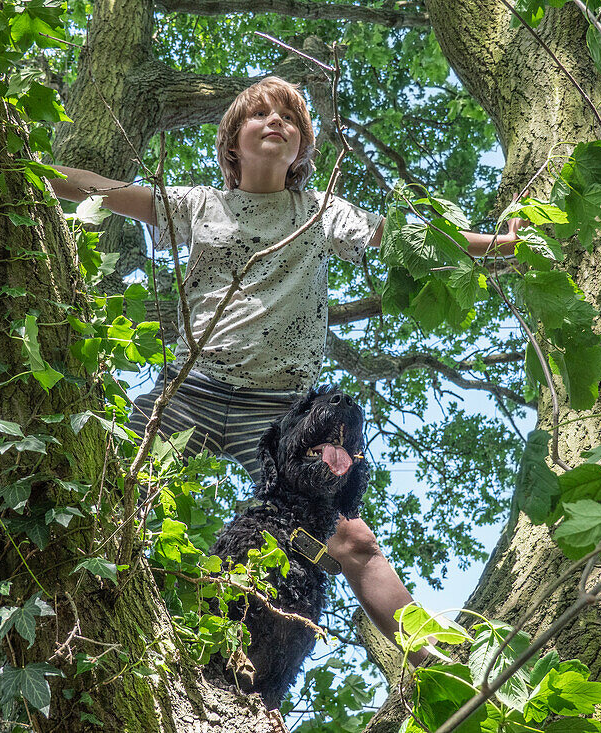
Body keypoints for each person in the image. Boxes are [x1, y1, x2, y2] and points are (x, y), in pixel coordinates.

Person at [48, 76, 520, 664]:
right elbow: (107, 190)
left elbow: (404, 239)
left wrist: (497, 247)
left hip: (277, 411)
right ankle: (100, 624)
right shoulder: (199, 204)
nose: (275, 122)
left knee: (350, 537)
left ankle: (434, 655)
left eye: (289, 119)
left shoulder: (319, 212)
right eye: (259, 115)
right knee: (116, 485)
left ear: (301, 150)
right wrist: (24, 164)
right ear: (232, 142)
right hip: (191, 390)